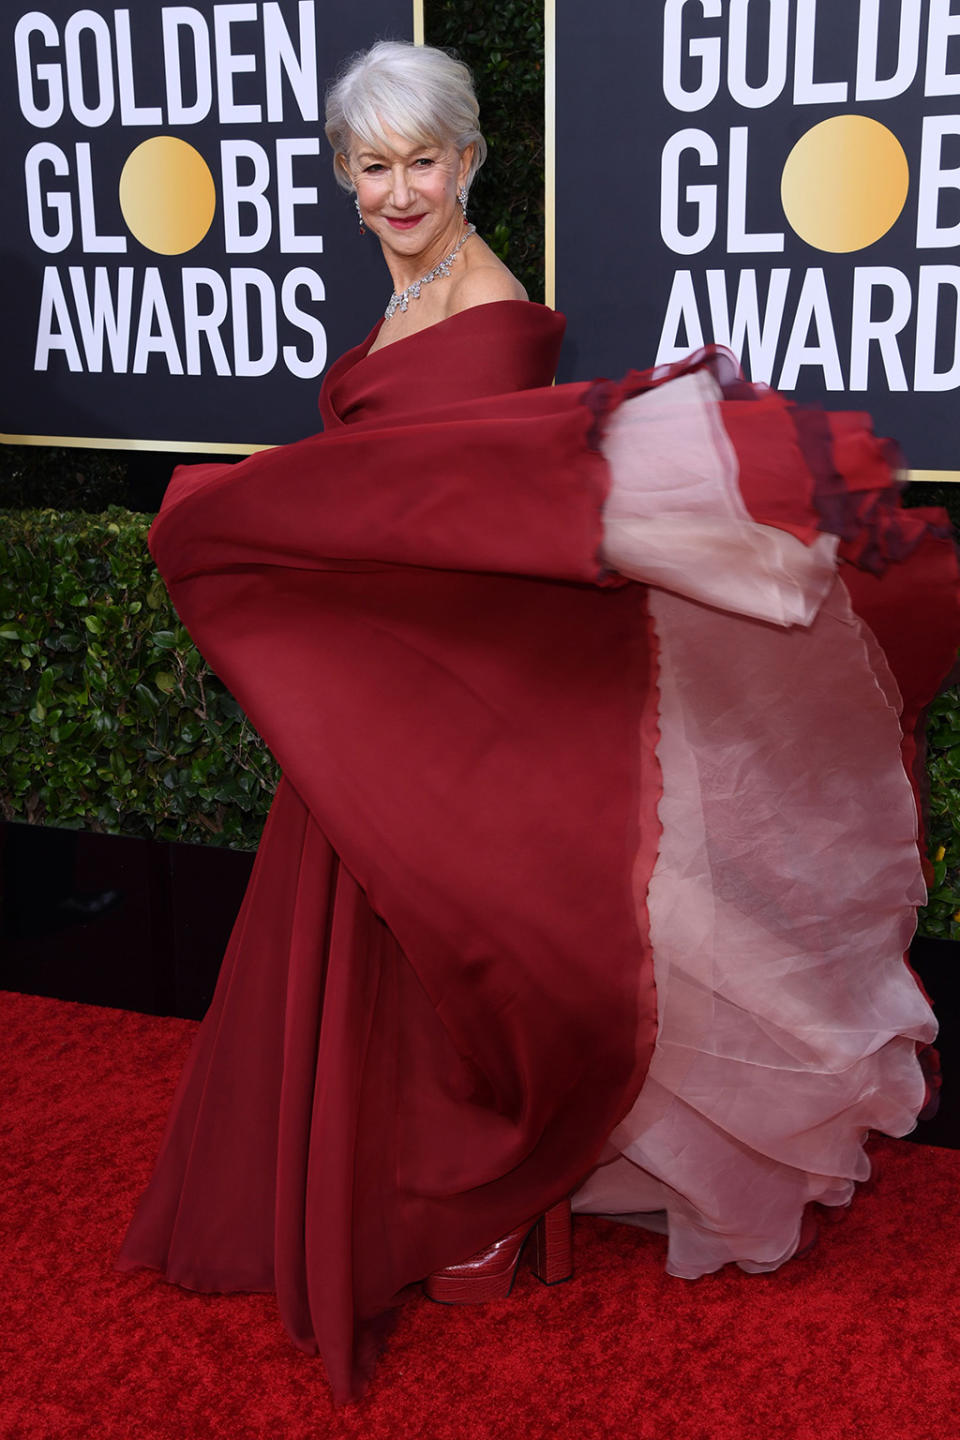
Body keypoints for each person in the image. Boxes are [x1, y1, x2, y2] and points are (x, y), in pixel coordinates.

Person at [118, 41, 960, 1401]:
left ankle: (474, 1199)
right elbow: (399, 497)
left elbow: (466, 510)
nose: (403, 191)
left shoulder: (491, 306)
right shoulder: (412, 287)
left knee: (470, 953)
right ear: (344, 175)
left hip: (442, 694)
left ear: (471, 161)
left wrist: (245, 498)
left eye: (426, 162)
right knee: (408, 950)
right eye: (374, 167)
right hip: (385, 686)